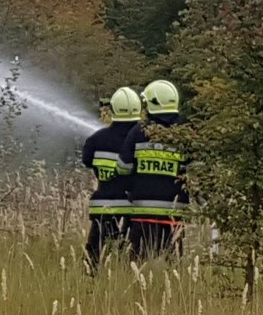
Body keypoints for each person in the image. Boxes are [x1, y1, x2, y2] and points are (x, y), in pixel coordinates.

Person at [117, 80, 189, 262]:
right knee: (171, 267)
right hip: (174, 216)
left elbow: (122, 168)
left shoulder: (139, 131)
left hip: (142, 214)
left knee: (137, 265)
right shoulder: (186, 133)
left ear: (152, 104)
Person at [81, 86, 142, 271]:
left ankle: (91, 282)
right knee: (131, 257)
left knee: (94, 256)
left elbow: (87, 160)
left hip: (103, 208)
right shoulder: (143, 138)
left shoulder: (96, 139)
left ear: (113, 109)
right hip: (133, 208)